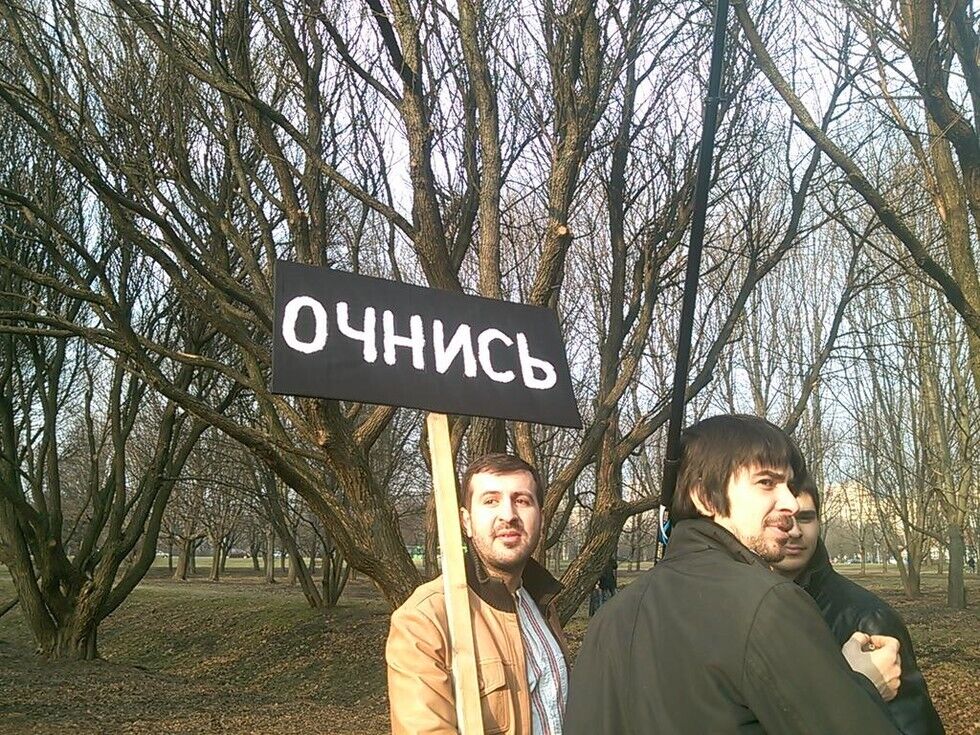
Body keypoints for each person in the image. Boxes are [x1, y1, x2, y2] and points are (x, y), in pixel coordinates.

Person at [565, 414, 901, 734]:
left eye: (788, 485)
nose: (791, 503)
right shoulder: (768, 604)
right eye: (766, 483)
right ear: (705, 497)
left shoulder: (610, 617)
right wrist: (863, 687)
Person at [386, 453, 568, 734]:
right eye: (491, 501)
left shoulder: (541, 603)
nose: (508, 515)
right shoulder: (424, 620)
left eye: (522, 500)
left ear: (541, 519)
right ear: (466, 521)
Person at [774, 477, 945, 735]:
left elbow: (914, 727)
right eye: (783, 520)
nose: (796, 531)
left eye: (806, 518)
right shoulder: (738, 607)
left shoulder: (868, 620)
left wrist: (857, 693)